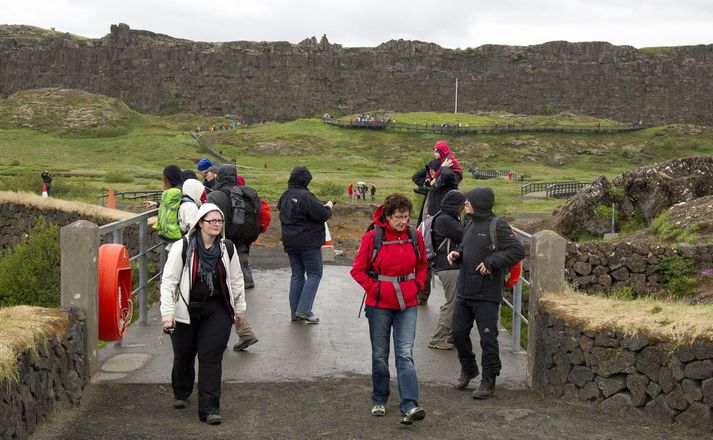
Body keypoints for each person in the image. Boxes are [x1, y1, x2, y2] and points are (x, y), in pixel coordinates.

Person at [160, 203, 246, 425]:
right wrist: (168, 313)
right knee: (184, 355)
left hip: (217, 309)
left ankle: (210, 409)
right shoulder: (183, 246)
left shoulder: (227, 248)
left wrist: (240, 309)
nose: (216, 225)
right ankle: (181, 392)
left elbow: (236, 280)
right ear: (200, 223)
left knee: (211, 358)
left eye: (220, 221)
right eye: (212, 221)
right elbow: (169, 282)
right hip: (185, 310)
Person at [350, 193, 427, 425]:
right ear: (388, 216)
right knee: (380, 355)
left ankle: (410, 405)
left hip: (407, 304)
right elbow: (357, 270)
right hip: (379, 305)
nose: (404, 221)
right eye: (398, 217)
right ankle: (379, 398)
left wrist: (417, 285)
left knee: (405, 355)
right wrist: (377, 290)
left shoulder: (415, 236)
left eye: (406, 216)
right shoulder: (373, 237)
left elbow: (422, 264)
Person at [447, 187, 525, 399]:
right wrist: (457, 254)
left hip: (487, 294)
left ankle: (489, 379)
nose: (465, 204)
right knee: (457, 333)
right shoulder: (470, 222)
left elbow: (518, 250)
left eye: (469, 201)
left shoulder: (497, 225)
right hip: (464, 290)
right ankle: (469, 368)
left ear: (479, 203)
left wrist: (491, 262)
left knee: (488, 338)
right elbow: (466, 247)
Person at [206, 164, 260, 351]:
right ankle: (244, 332)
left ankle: (224, 337)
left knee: (219, 293)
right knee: (233, 292)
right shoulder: (244, 194)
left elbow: (207, 224)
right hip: (243, 249)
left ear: (219, 177)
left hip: (221, 250)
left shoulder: (215, 196)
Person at [278, 166, 333, 323]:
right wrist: (328, 206)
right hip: (308, 243)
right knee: (315, 274)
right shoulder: (306, 196)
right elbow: (322, 215)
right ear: (305, 180)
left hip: (290, 242)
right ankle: (304, 310)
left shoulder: (285, 195)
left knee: (297, 275)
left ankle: (295, 312)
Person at [411, 140, 463, 304]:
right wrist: (429, 178)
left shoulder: (452, 170)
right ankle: (422, 295)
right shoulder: (436, 168)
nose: (435, 154)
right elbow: (417, 177)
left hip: (444, 217)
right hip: (430, 215)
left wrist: (443, 170)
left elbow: (450, 178)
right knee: (426, 255)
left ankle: (451, 298)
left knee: (441, 252)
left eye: (437, 152)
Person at [427, 190, 465, 350]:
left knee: (454, 302)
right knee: (453, 303)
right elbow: (465, 234)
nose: (464, 208)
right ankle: (438, 338)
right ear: (456, 205)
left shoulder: (441, 216)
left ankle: (450, 336)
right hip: (449, 267)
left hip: (444, 265)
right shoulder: (446, 220)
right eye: (462, 204)